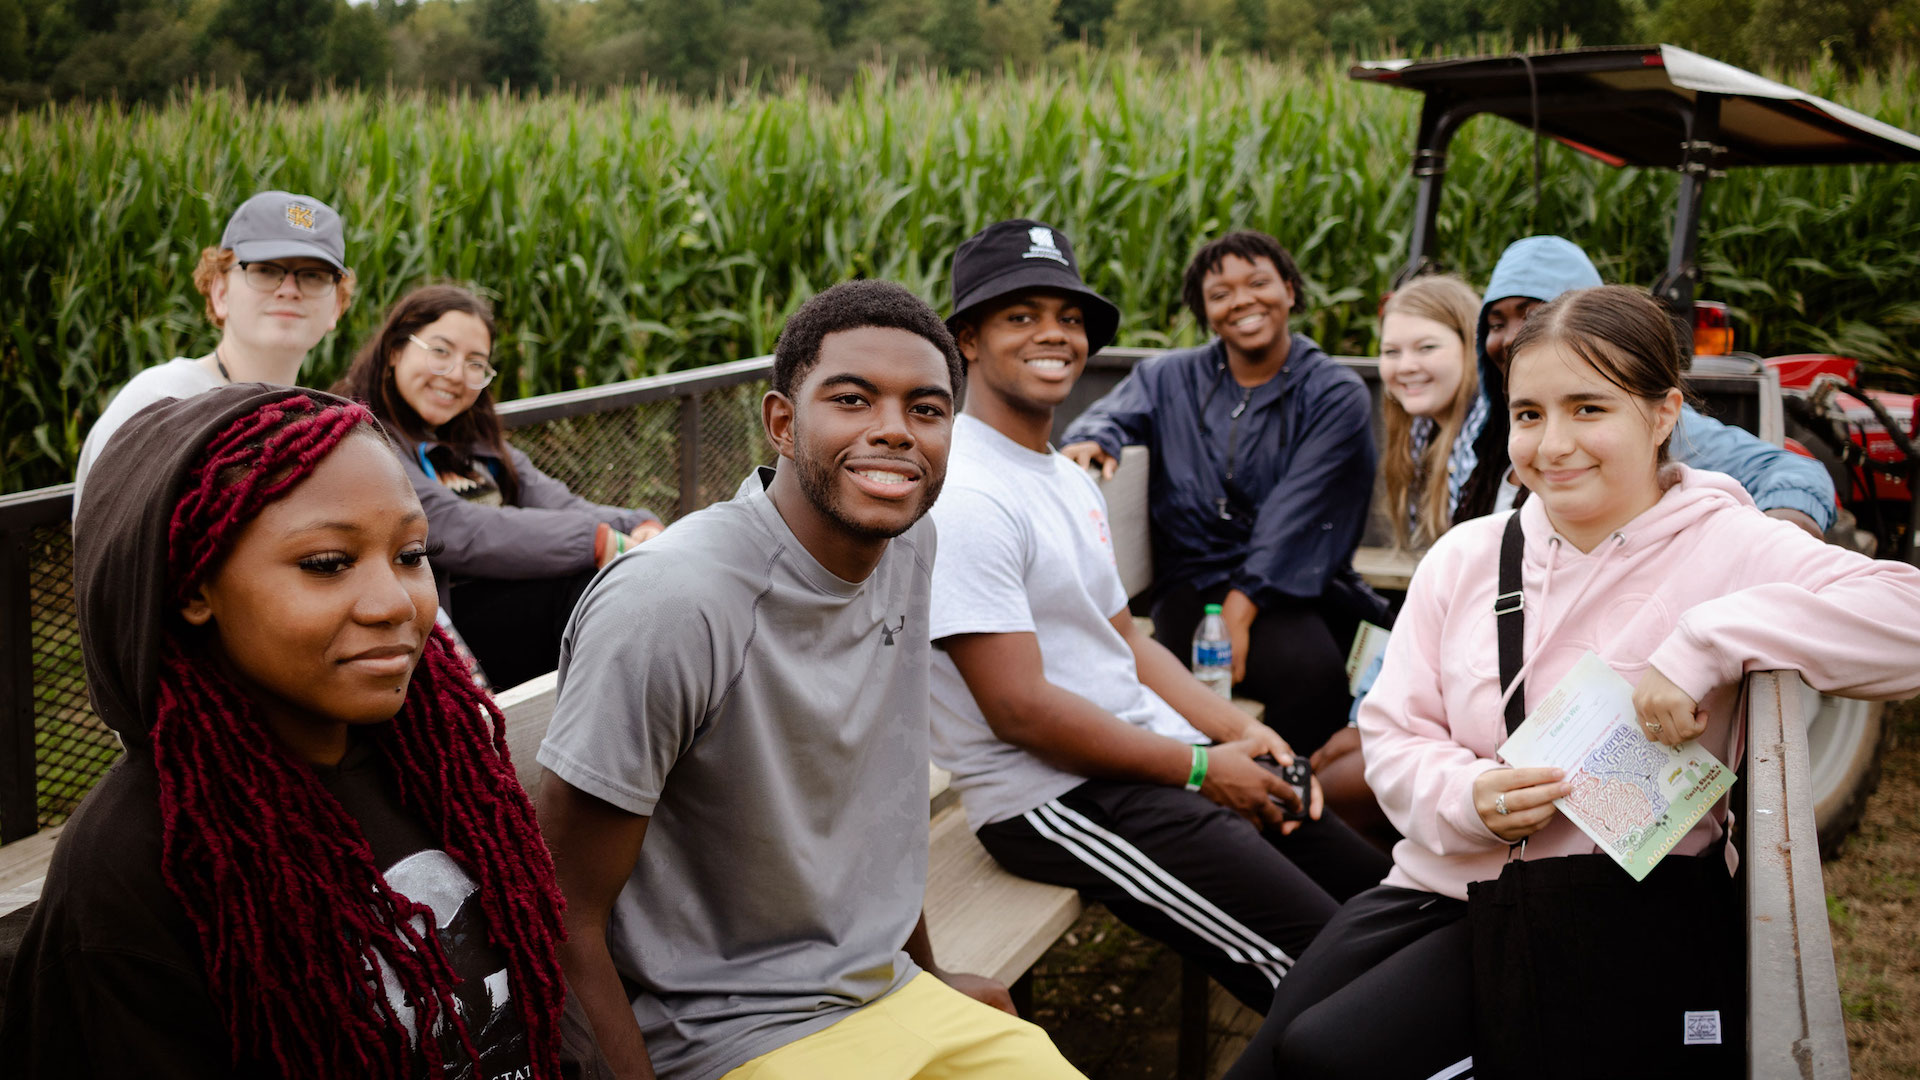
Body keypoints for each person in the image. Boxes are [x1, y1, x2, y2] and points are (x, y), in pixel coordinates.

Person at [1222, 286, 1920, 1080]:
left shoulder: (1732, 546)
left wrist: (1711, 638)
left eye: (1589, 409)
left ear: (1662, 415)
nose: (1553, 445)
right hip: (1439, 881)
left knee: (1329, 1056)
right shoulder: (1468, 555)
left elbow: (1908, 617)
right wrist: (1469, 796)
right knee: (1270, 1052)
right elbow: (1395, 729)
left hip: (1601, 914)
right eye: (1529, 414)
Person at [534, 279, 1084, 1080]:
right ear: (783, 423)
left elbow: (877, 801)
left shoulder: (910, 547)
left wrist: (928, 979)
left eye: (927, 410)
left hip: (883, 993)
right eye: (854, 400)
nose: (894, 431)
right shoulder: (674, 601)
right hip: (728, 1037)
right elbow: (565, 913)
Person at [3, 386, 567, 1078]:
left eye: (411, 555)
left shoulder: (445, 771)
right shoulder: (136, 866)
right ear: (191, 587)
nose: (394, 602)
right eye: (327, 564)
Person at [930, 219, 1392, 1014]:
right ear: (967, 339)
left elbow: (1127, 643)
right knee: (1324, 968)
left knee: (1382, 899)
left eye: (1069, 317)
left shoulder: (1066, 479)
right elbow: (1020, 712)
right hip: (1058, 797)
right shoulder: (968, 492)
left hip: (1149, 755)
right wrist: (1208, 769)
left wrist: (1238, 733)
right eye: (1021, 315)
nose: (1054, 334)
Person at [1061, 231, 1388, 756]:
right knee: (1292, 672)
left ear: (1289, 289)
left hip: (1289, 582)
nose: (1242, 301)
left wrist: (1240, 608)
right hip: (1191, 584)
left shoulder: (1333, 392)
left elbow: (1297, 510)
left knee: (1324, 671)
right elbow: (1107, 414)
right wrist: (1095, 437)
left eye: (1258, 283)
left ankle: (1296, 799)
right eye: (1220, 294)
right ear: (1205, 312)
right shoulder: (1168, 378)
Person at [333, 285, 661, 691]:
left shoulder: (476, 445)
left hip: (519, 623)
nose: (456, 374)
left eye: (475, 364)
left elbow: (557, 501)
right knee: (587, 591)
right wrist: (594, 542)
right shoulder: (365, 440)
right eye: (441, 351)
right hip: (444, 637)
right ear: (396, 350)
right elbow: (452, 527)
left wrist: (637, 522)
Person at [1454, 235, 1837, 537]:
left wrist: (1777, 540)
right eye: (1497, 322)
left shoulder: (1654, 424)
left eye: (1534, 316)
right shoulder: (1488, 433)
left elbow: (1791, 472)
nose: (1509, 339)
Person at [1314, 275, 1482, 846]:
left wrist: (1377, 719)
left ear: (1471, 344)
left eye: (1426, 347)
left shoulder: (1489, 442)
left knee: (1335, 783)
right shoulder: (1422, 438)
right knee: (1330, 756)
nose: (1404, 365)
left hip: (1478, 678)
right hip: (1443, 656)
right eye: (1391, 351)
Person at [73, 190, 355, 513]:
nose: (289, 290)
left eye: (314, 276)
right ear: (220, 292)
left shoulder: (315, 420)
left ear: (336, 305)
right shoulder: (160, 404)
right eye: (264, 270)